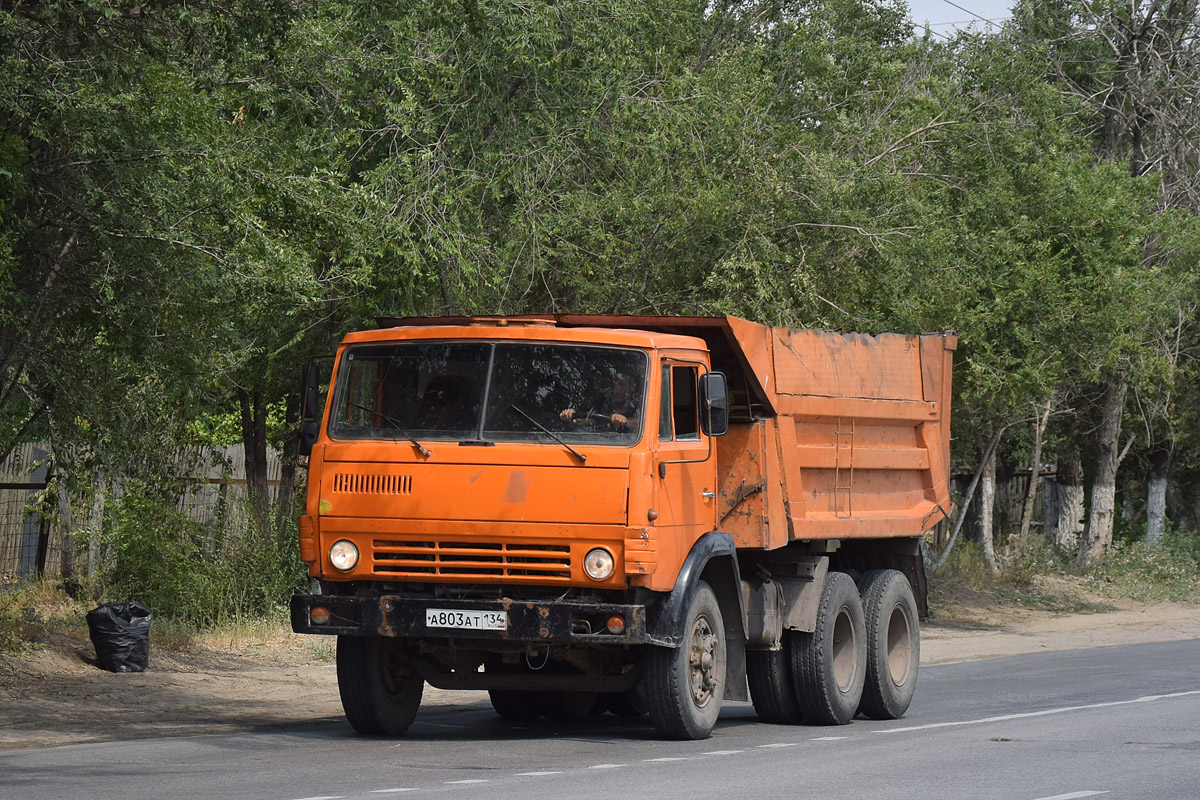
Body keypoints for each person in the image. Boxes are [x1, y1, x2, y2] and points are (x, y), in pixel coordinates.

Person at [559, 371, 637, 430]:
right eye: (614, 384)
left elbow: (643, 424)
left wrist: (625, 421)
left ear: (632, 387)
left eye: (621, 384)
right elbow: (588, 420)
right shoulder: (601, 405)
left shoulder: (639, 407)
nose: (616, 389)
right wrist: (571, 416)